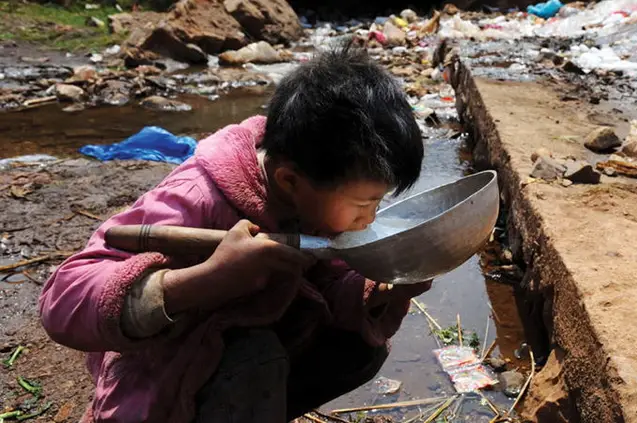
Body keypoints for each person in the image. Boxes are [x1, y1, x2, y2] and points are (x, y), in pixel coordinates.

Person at [38, 44, 430, 423]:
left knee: (359, 346)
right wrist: (209, 279)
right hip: (165, 381)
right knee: (256, 358)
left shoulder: (314, 194)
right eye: (364, 205)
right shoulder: (197, 196)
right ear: (290, 180)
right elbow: (62, 299)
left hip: (241, 364)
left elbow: (326, 282)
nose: (370, 219)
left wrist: (380, 289)